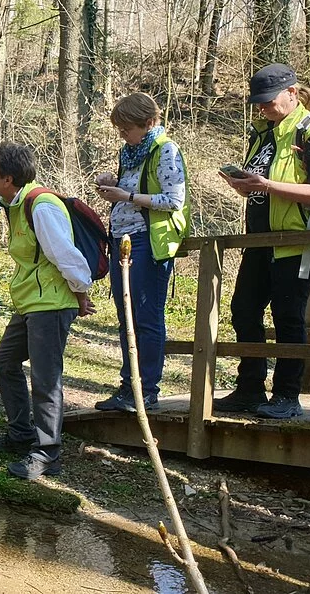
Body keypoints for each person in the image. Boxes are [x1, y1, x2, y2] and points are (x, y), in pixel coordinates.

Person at [213, 64, 310, 419]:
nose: (262, 109)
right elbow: (266, 180)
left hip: (298, 240)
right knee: (244, 309)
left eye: (268, 102)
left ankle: (287, 395)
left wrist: (266, 186)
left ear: (292, 93)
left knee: (288, 316)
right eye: (258, 103)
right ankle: (249, 388)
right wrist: (245, 184)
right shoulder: (263, 132)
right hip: (261, 239)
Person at [0, 143, 94, 479]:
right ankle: (21, 433)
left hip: (50, 304)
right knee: (5, 362)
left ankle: (48, 453)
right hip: (32, 303)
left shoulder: (41, 205)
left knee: (46, 380)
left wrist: (81, 293)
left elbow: (66, 255)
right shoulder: (15, 203)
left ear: (9, 179)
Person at [93, 93, 189, 412]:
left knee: (146, 316)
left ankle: (146, 389)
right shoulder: (131, 151)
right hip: (122, 239)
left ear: (148, 123)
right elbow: (133, 186)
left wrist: (127, 195)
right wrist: (113, 182)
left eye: (126, 128)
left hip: (149, 240)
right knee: (126, 316)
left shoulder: (165, 150)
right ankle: (128, 385)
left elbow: (173, 200)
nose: (122, 134)